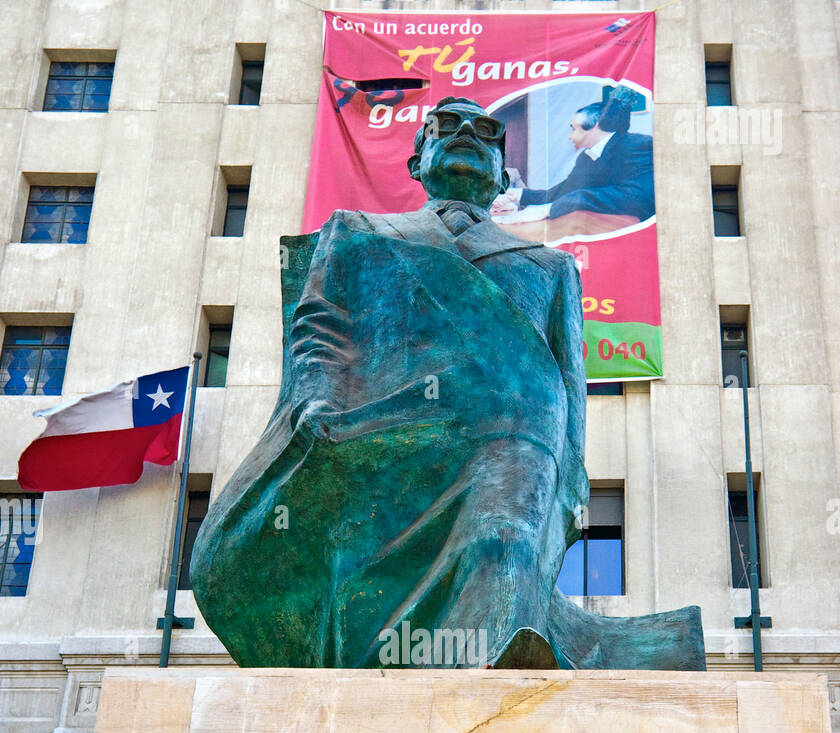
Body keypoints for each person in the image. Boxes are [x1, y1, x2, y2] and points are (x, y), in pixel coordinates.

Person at [191, 96, 702, 671]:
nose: (465, 133)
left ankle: (497, 650)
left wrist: (574, 476)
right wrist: (315, 398)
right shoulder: (357, 233)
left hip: (511, 431)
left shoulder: (549, 267)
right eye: (445, 125)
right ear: (415, 164)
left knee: (502, 533)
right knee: (364, 557)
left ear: (505, 175)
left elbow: (568, 377)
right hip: (386, 425)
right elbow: (321, 328)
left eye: (485, 130)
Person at [508, 87, 655, 224]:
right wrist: (515, 194)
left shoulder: (638, 145)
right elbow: (563, 192)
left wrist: (549, 209)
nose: (570, 137)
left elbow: (639, 198)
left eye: (574, 129)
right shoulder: (586, 157)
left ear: (596, 125)